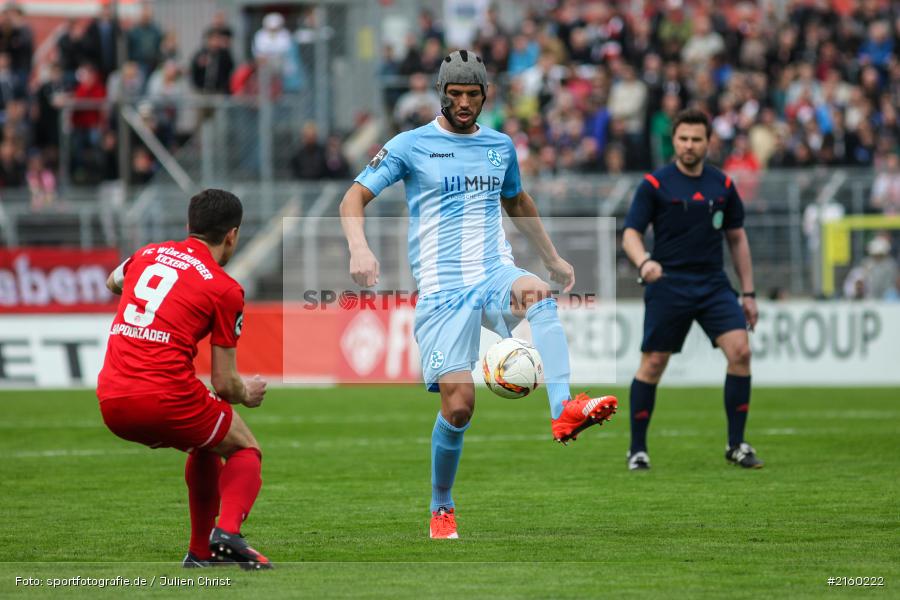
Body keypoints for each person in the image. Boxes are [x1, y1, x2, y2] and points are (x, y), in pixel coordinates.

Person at [339, 50, 617, 540]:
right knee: (459, 406)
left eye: (473, 94)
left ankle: (563, 411)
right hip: (442, 292)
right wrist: (359, 248)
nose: (464, 102)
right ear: (441, 94)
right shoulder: (410, 144)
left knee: (536, 291)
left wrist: (549, 257)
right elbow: (353, 196)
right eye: (456, 94)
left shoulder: (500, 146)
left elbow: (516, 199)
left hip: (493, 272)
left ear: (486, 95)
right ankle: (441, 505)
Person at [96, 189, 272, 569]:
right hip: (163, 396)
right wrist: (249, 392)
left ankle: (200, 553)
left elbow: (113, 282)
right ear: (232, 235)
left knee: (206, 444)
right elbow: (225, 384)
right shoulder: (225, 289)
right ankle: (227, 535)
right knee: (244, 448)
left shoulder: (146, 254)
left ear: (189, 226)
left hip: (111, 397)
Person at [621, 108, 763, 471]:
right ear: (675, 140)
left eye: (696, 139)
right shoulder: (655, 184)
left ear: (708, 142)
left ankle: (737, 444)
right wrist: (644, 262)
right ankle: (637, 449)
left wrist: (748, 293)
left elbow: (737, 238)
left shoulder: (724, 185)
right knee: (653, 364)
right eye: (683, 138)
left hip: (714, 284)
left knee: (741, 353)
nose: (689, 145)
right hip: (668, 284)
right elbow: (631, 234)